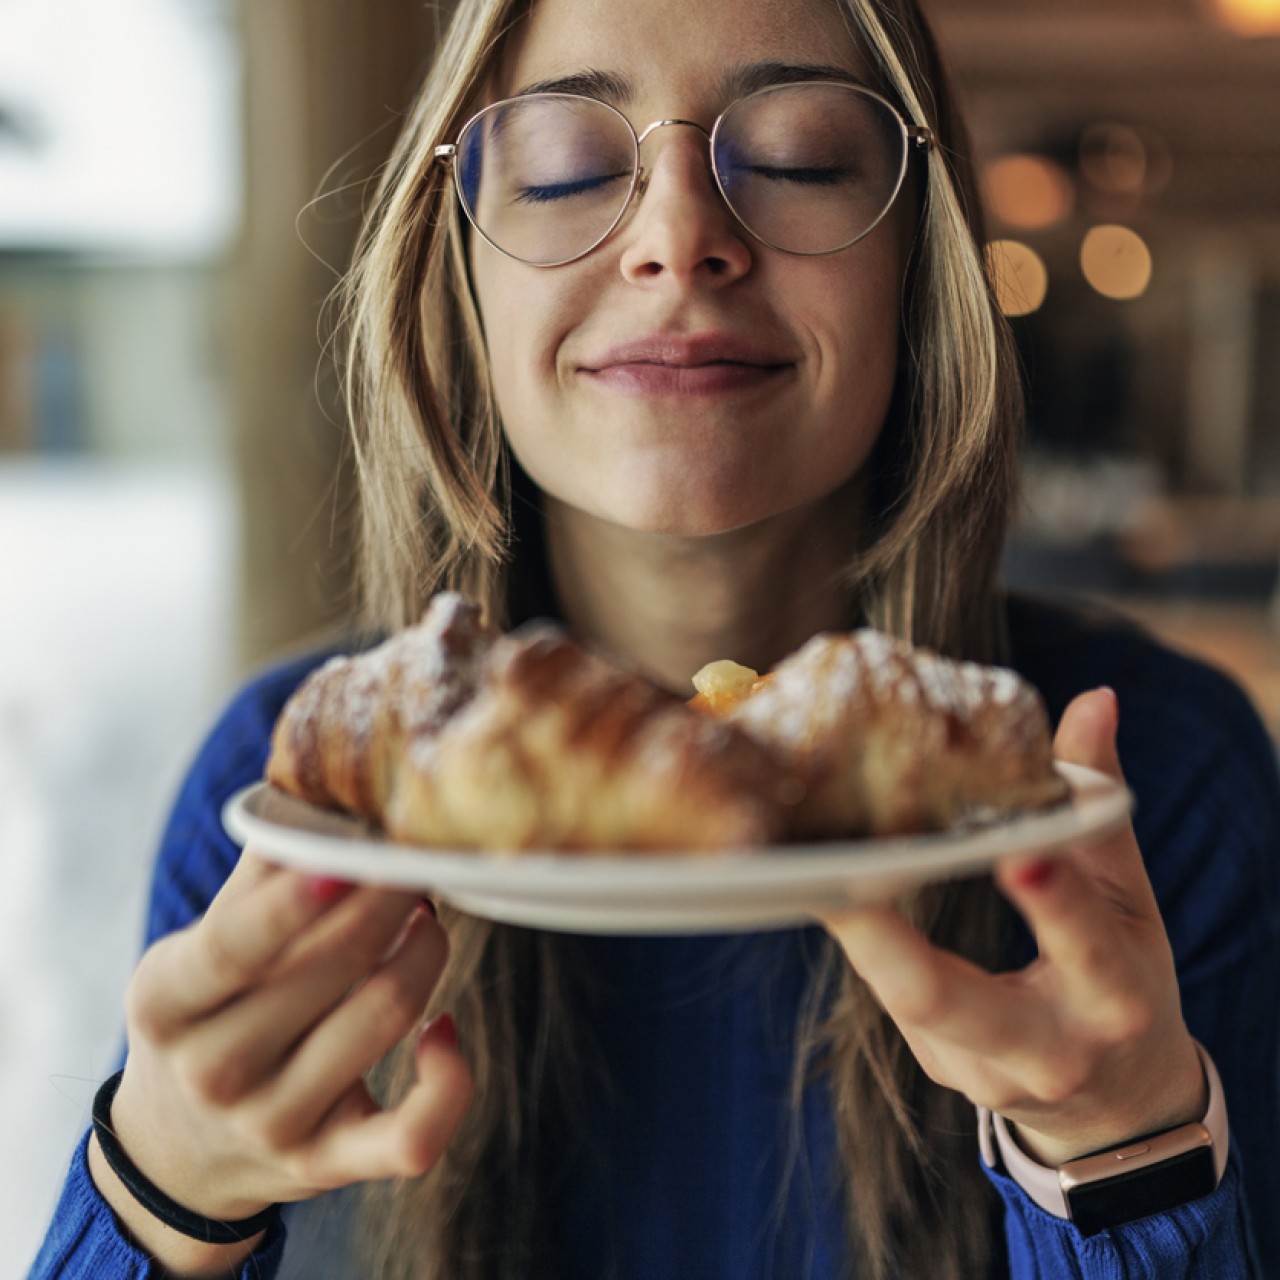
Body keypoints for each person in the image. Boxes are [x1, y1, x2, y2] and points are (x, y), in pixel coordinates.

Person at [30, 0, 1280, 1275]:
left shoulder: (1140, 788)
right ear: (458, 259)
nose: (678, 239)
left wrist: (1123, 1152)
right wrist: (158, 1191)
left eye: (795, 157)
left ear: (919, 249)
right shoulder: (302, 792)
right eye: (566, 167)